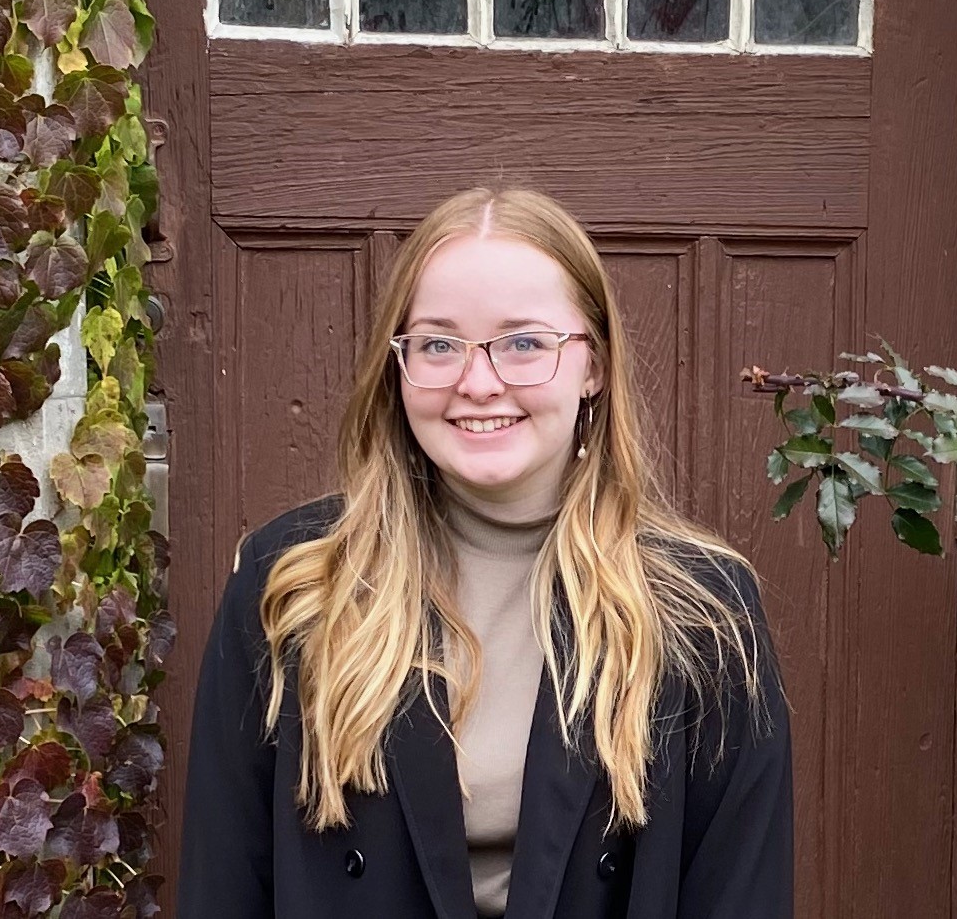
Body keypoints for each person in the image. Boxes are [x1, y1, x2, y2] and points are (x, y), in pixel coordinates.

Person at [178, 188, 794, 919]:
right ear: (398, 365)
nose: (477, 382)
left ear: (592, 365)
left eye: (523, 343)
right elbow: (224, 881)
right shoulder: (292, 584)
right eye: (439, 344)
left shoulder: (702, 611)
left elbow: (738, 895)